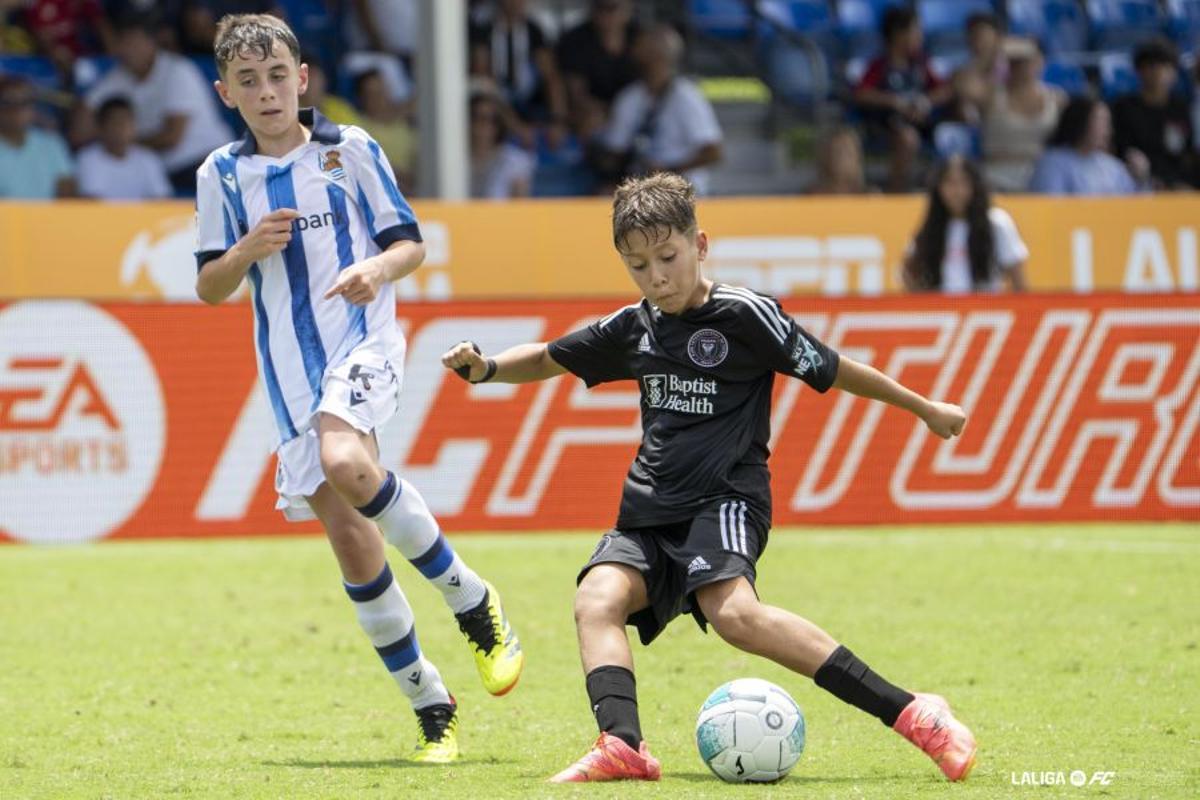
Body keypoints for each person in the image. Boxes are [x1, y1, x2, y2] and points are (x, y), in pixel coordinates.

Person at [441, 172, 978, 784]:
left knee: (734, 617)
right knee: (596, 599)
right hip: (648, 510)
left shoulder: (746, 316)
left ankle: (914, 713)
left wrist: (926, 408)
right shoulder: (635, 325)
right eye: (638, 265)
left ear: (701, 246)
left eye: (667, 257)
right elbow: (546, 358)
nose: (656, 277)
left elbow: (835, 368)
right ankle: (623, 745)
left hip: (725, 500)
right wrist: (483, 369)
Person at [193, 13, 523, 763]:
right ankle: (433, 708)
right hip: (287, 374)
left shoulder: (350, 150)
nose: (267, 91)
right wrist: (246, 249)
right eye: (249, 81)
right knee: (351, 542)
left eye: (278, 75)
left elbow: (408, 241)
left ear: (301, 78)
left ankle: (471, 599)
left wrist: (376, 269)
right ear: (226, 94)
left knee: (348, 464)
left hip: (363, 341)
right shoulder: (221, 175)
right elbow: (211, 286)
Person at [87, 12, 234, 194]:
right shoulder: (118, 77)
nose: (128, 50)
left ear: (151, 43)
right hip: (165, 170)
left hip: (207, 162)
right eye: (123, 43)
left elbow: (171, 137)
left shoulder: (178, 71)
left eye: (135, 43)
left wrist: (121, 139)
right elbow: (82, 121)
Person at [596, 24, 722, 195]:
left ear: (658, 55)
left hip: (682, 190)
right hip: (640, 189)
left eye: (641, 46)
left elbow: (713, 152)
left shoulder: (686, 96)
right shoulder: (630, 98)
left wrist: (668, 171)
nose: (633, 50)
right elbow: (615, 152)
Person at [853, 7, 953, 192]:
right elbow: (861, 94)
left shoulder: (922, 63)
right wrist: (895, 102)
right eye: (915, 31)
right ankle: (897, 192)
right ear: (898, 34)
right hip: (885, 126)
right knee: (908, 139)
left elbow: (944, 90)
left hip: (921, 123)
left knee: (952, 133)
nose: (920, 37)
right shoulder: (879, 66)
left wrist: (925, 101)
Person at [903, 155, 1027, 293]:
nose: (957, 191)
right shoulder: (931, 228)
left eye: (964, 183)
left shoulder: (996, 223)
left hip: (984, 310)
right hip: (944, 312)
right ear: (939, 188)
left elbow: (1018, 281)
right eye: (950, 183)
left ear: (975, 186)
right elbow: (908, 270)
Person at [982, 37, 1065, 192]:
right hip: (997, 177)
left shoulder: (1057, 98)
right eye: (1016, 61)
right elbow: (962, 83)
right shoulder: (992, 95)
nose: (1022, 67)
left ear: (1041, 61)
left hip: (1043, 178)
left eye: (1028, 60)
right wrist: (996, 51)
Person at [1111, 38, 1196, 189]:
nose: (1159, 73)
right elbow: (1121, 151)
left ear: (1175, 73)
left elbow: (1187, 152)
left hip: (1179, 185)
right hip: (1136, 183)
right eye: (1152, 66)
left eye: (1166, 66)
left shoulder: (1182, 108)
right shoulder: (1123, 108)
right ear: (1139, 71)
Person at [556, 0, 639, 139]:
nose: (604, 14)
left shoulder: (640, 38)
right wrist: (613, 113)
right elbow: (577, 94)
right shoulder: (575, 40)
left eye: (612, 8)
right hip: (595, 111)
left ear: (628, 9)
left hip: (635, 109)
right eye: (598, 7)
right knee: (590, 119)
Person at [1029, 96, 1145, 195]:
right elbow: (1050, 208)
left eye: (1107, 123)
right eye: (1100, 122)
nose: (1107, 131)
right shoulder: (1052, 163)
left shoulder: (1112, 166)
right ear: (1080, 122)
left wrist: (1140, 178)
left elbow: (1134, 204)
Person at [77, 95, 171, 200]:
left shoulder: (149, 159)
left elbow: (161, 201)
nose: (121, 129)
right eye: (115, 123)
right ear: (100, 127)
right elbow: (91, 203)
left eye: (126, 122)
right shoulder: (88, 159)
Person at [0, 75, 76, 199]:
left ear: (33, 108)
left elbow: (67, 192)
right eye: (7, 103)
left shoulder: (52, 144)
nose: (17, 109)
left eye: (25, 102)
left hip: (48, 217)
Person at [469, 88, 534, 199]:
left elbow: (521, 210)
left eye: (491, 119)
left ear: (499, 124)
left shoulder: (515, 161)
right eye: (476, 117)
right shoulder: (451, 160)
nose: (483, 124)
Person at [809, 126, 871, 194]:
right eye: (837, 152)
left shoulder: (870, 197)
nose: (842, 159)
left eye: (848, 152)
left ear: (857, 157)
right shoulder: (812, 197)